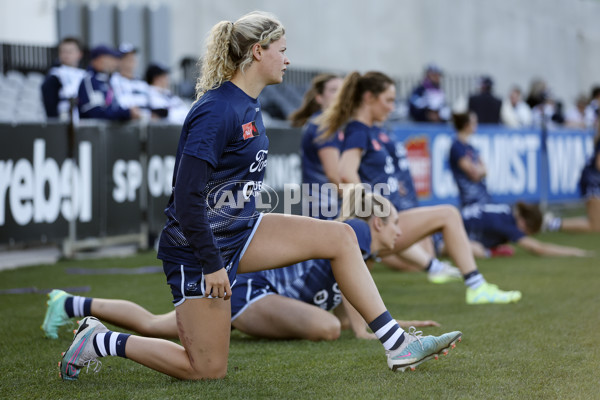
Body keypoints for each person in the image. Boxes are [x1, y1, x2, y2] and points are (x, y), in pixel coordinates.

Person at [58, 12, 462, 381]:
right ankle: (99, 340)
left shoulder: (249, 105)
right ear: (257, 51)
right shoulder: (216, 110)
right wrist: (213, 263)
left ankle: (397, 344)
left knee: (341, 237)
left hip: (241, 231)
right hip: (198, 250)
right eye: (282, 51)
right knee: (205, 370)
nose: (287, 60)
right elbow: (186, 198)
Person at [43, 193, 440, 342]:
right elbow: (347, 322)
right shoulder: (357, 235)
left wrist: (396, 322)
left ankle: (69, 304)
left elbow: (348, 309)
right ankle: (97, 337)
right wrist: (385, 330)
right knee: (325, 329)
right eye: (396, 223)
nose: (402, 232)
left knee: (152, 324)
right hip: (253, 294)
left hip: (253, 294)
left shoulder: (357, 241)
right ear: (376, 223)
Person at [321, 70, 521, 304]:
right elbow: (345, 171)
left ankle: (437, 268)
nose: (392, 107)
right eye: (388, 100)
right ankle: (476, 286)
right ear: (369, 98)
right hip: (376, 224)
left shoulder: (371, 130)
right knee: (448, 214)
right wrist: (371, 206)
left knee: (346, 311)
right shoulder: (358, 130)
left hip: (382, 221)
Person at [290, 73, 344, 219]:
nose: (340, 94)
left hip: (319, 208)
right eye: (333, 90)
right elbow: (333, 175)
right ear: (319, 98)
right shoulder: (323, 125)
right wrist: (361, 202)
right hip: (324, 209)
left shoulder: (327, 124)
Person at [461, 202, 594, 258]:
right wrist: (574, 252)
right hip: (444, 237)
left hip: (458, 225)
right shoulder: (508, 225)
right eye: (528, 233)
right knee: (478, 251)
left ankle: (492, 250)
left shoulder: (506, 212)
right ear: (524, 223)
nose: (526, 235)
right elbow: (539, 249)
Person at [543, 128, 600, 233]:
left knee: (595, 224)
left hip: (592, 179)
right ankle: (551, 223)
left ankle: (552, 223)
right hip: (593, 181)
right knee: (596, 224)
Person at [77, 44, 142, 121]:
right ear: (100, 59)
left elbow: (111, 107)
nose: (115, 63)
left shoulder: (105, 80)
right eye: (111, 59)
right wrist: (127, 113)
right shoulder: (90, 80)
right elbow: (96, 112)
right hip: (90, 132)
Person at [449, 112, 493, 208]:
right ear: (466, 125)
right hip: (471, 202)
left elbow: (485, 170)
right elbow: (474, 174)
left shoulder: (471, 147)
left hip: (484, 198)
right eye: (474, 123)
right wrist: (479, 170)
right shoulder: (457, 147)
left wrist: (479, 170)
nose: (476, 125)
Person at [40, 37, 86, 120]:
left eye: (70, 51)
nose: (66, 55)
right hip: (63, 121)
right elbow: (50, 105)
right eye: (63, 51)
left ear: (79, 54)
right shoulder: (54, 76)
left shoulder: (85, 75)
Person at [110, 43, 150, 118]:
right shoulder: (112, 81)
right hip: (123, 125)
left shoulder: (142, 83)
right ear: (119, 61)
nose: (131, 60)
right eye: (127, 58)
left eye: (133, 57)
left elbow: (149, 104)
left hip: (144, 124)